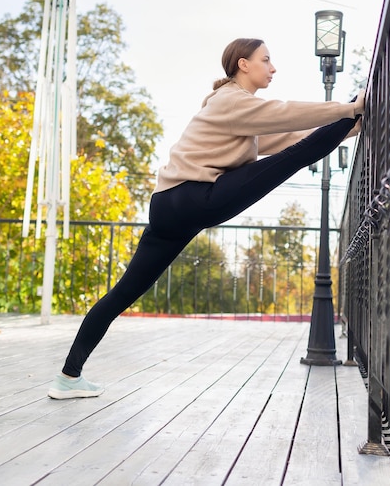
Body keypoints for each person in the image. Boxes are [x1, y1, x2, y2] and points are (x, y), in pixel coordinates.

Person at [48, 37, 364, 399]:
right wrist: (348, 108)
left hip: (169, 208)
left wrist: (351, 123)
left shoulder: (241, 113)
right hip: (193, 198)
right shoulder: (232, 101)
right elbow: (288, 114)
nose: (272, 67)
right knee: (293, 160)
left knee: (123, 293)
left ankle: (68, 377)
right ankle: (359, 105)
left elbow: (296, 135)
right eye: (266, 59)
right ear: (243, 64)